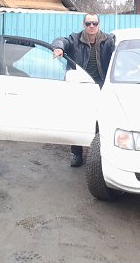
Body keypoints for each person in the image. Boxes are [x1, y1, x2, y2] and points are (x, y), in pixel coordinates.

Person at [52, 13, 115, 167]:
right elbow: (61, 41)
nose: (91, 26)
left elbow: (119, 53)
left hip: (101, 85)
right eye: (88, 24)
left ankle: (100, 154)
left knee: (101, 121)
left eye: (94, 23)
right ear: (83, 25)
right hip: (79, 85)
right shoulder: (75, 39)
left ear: (99, 24)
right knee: (77, 120)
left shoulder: (108, 41)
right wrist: (59, 48)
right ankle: (76, 154)